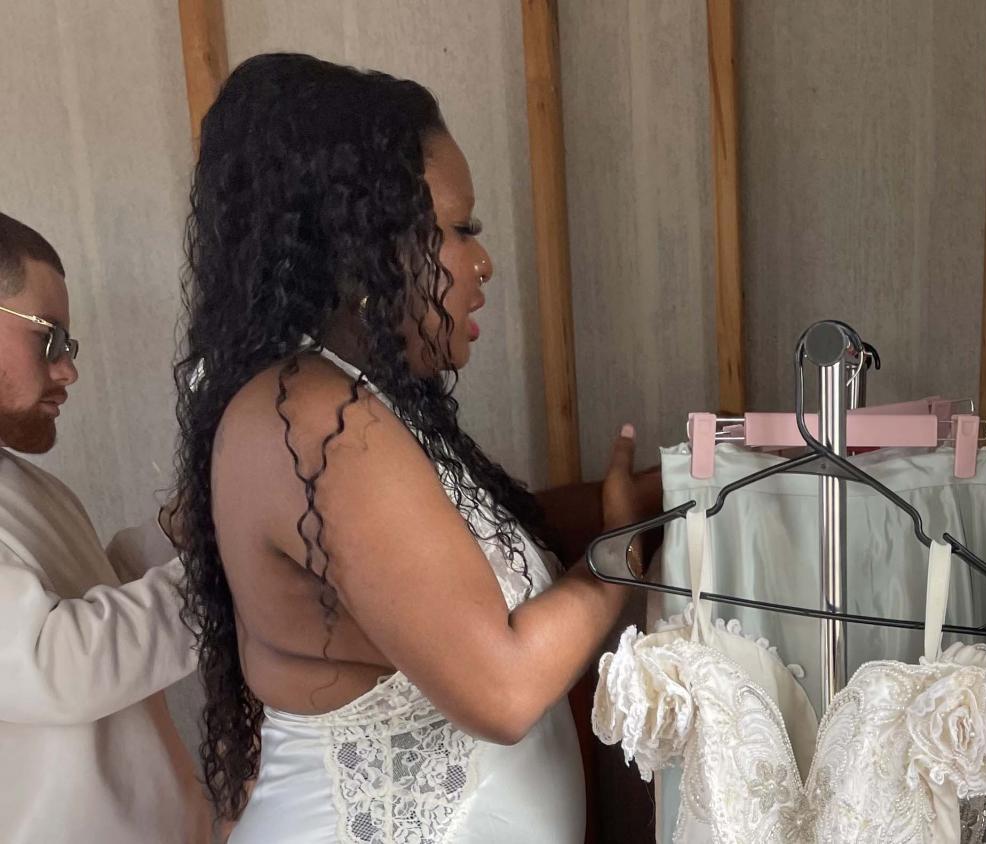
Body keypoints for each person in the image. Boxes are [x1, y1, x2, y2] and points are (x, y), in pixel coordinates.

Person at [174, 53, 660, 842]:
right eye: (460, 230)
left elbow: (485, 566)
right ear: (361, 243)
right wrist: (621, 554)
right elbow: (502, 689)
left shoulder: (362, 403)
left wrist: (662, 486)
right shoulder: (313, 420)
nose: (483, 262)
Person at [0, 212, 209, 843]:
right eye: (49, 340)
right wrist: (229, 573)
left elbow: (92, 598)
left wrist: (174, 535)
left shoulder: (28, 485)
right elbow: (51, 663)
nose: (68, 370)